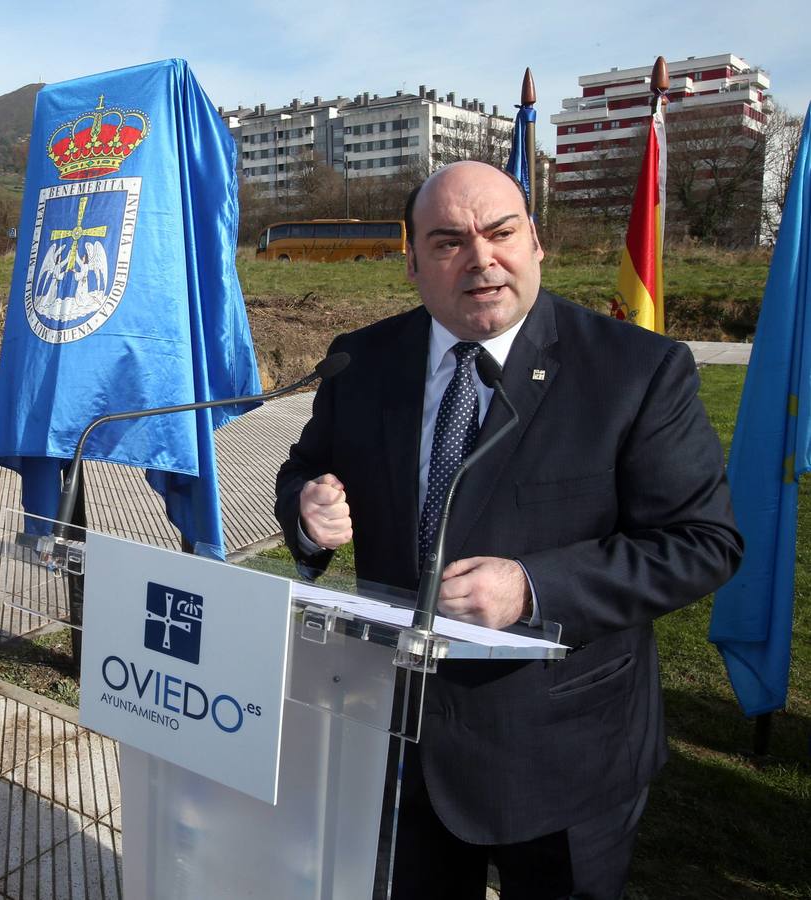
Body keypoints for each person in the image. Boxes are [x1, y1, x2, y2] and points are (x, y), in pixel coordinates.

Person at [274, 161, 743, 899]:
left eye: (501, 232)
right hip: (395, 737)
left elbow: (700, 541)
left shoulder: (635, 369)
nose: (481, 259)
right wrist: (308, 510)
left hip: (562, 752)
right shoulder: (360, 360)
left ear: (535, 242)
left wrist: (532, 587)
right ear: (411, 263)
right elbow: (305, 467)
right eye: (448, 242)